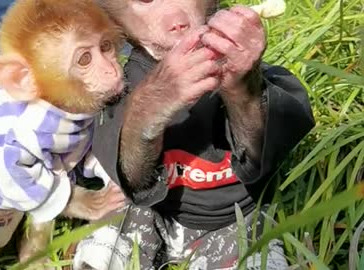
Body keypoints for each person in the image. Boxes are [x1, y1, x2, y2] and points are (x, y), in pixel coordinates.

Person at [71, 1, 316, 270]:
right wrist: (148, 107)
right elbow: (133, 180)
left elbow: (265, 159)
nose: (176, 19)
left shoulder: (243, 64)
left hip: (233, 220)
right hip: (151, 212)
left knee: (254, 251)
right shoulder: (117, 86)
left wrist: (244, 87)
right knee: (112, 228)